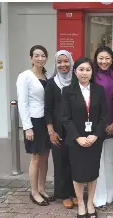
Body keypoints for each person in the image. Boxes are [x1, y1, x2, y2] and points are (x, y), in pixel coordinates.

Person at [61, 57, 108, 218]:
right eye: (81, 69)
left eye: (88, 69)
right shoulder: (67, 91)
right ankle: (80, 202)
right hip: (76, 140)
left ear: (92, 71)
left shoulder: (99, 90)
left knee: (93, 172)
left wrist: (96, 135)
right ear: (75, 71)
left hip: (94, 139)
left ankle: (90, 202)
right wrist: (77, 138)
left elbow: (104, 116)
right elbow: (65, 118)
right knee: (78, 173)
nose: (84, 73)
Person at [16, 45, 54, 206]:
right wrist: (27, 127)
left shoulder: (47, 74)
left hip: (46, 120)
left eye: (43, 55)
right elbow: (22, 102)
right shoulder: (25, 76)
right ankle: (34, 192)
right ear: (31, 57)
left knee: (45, 157)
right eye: (36, 55)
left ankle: (42, 188)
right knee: (35, 158)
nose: (40, 58)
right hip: (34, 120)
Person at [44, 50, 77, 209]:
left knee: (74, 163)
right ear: (56, 64)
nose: (63, 65)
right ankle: (64, 194)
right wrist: (51, 131)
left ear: (71, 62)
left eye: (66, 61)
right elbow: (48, 109)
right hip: (57, 130)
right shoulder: (51, 83)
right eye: (59, 62)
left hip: (75, 129)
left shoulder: (77, 80)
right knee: (61, 163)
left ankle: (75, 193)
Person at [93, 45, 113, 208]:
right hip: (95, 126)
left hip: (112, 125)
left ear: (112, 60)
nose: (104, 61)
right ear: (96, 59)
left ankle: (110, 194)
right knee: (97, 161)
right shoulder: (90, 75)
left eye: (107, 58)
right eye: (101, 58)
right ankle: (99, 195)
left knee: (110, 160)